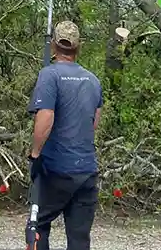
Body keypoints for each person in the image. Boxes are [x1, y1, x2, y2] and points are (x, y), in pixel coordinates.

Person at [26, 21, 103, 250]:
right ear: (78, 48)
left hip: (57, 170)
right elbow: (93, 123)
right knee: (79, 238)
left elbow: (46, 117)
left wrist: (35, 155)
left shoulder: (49, 75)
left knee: (37, 225)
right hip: (87, 171)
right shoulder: (93, 80)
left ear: (53, 46)